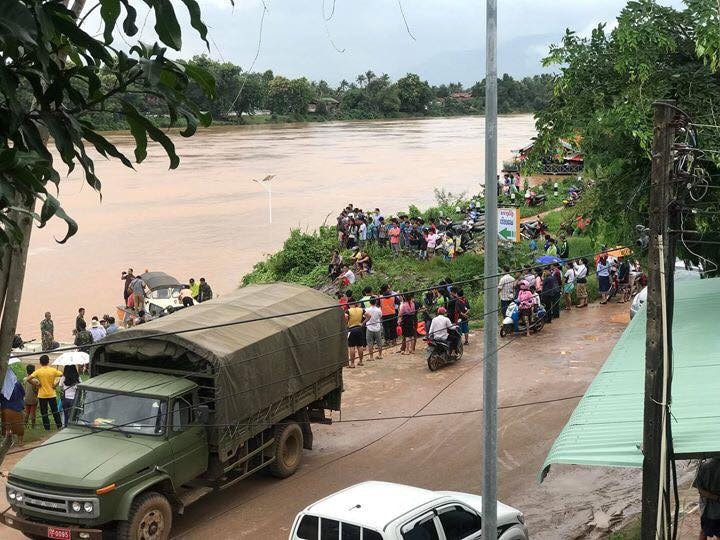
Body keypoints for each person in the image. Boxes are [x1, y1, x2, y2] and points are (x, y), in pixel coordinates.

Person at [27, 354, 63, 431]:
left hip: (42, 395)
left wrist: (36, 384)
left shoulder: (38, 371)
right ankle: (59, 426)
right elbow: (63, 375)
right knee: (55, 411)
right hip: (51, 394)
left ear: (40, 362)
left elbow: (28, 379)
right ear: (48, 362)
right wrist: (56, 385)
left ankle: (47, 428)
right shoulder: (53, 370)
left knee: (44, 412)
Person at [694, 458, 720, 540]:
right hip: (712, 508)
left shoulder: (703, 466)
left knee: (704, 531)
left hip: (707, 509)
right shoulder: (704, 466)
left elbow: (700, 490)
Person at [1, 369, 26, 446]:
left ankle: (7, 443)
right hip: (18, 407)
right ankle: (20, 442)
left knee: (7, 427)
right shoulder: (17, 383)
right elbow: (23, 393)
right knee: (19, 426)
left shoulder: (2, 385)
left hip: (5, 408)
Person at [345, 293, 366, 368]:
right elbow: (369, 315)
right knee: (360, 346)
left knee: (351, 346)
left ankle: (352, 364)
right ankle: (360, 361)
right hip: (359, 328)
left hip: (351, 329)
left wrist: (346, 324)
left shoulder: (348, 311)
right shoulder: (361, 309)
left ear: (349, 304)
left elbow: (345, 318)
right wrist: (362, 323)